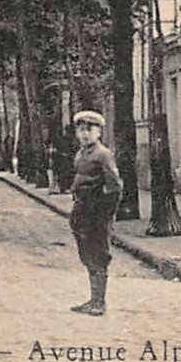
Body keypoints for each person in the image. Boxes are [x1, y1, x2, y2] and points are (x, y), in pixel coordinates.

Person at [68, 109, 122, 316]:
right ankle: (93, 299)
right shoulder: (81, 154)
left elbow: (115, 187)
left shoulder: (103, 155)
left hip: (97, 213)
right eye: (81, 130)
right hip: (82, 211)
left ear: (99, 132)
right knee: (87, 255)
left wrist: (105, 215)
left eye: (89, 130)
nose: (84, 134)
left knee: (98, 254)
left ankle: (99, 302)